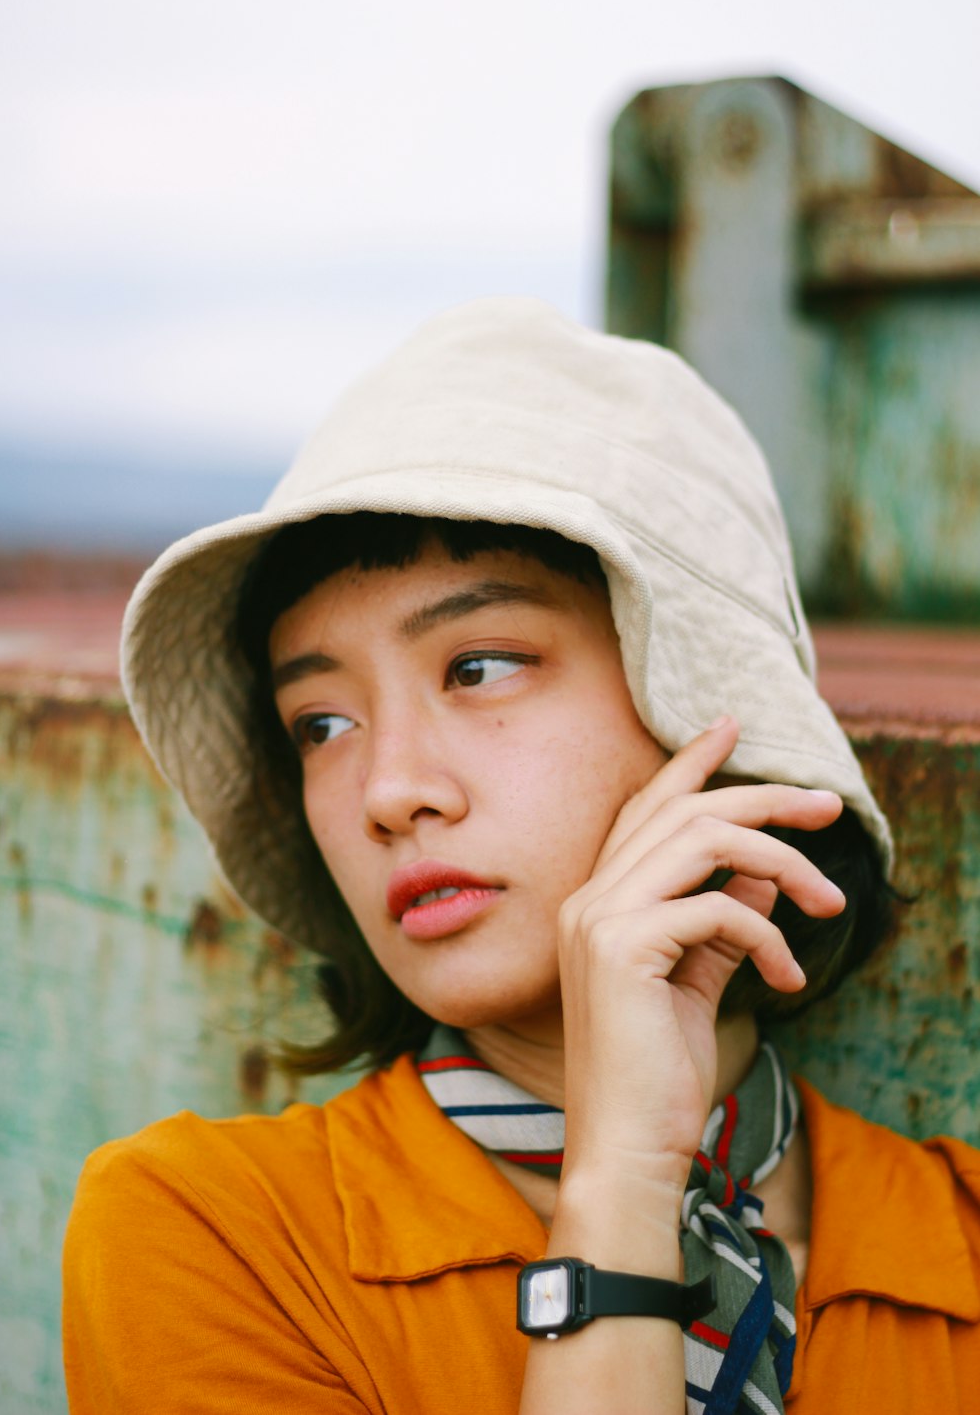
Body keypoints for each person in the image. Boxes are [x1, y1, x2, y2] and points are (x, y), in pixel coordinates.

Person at [63, 299, 980, 1414]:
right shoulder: (216, 1235)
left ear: (700, 708)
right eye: (322, 724)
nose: (392, 791)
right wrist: (622, 1191)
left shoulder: (957, 1247)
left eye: (481, 668)